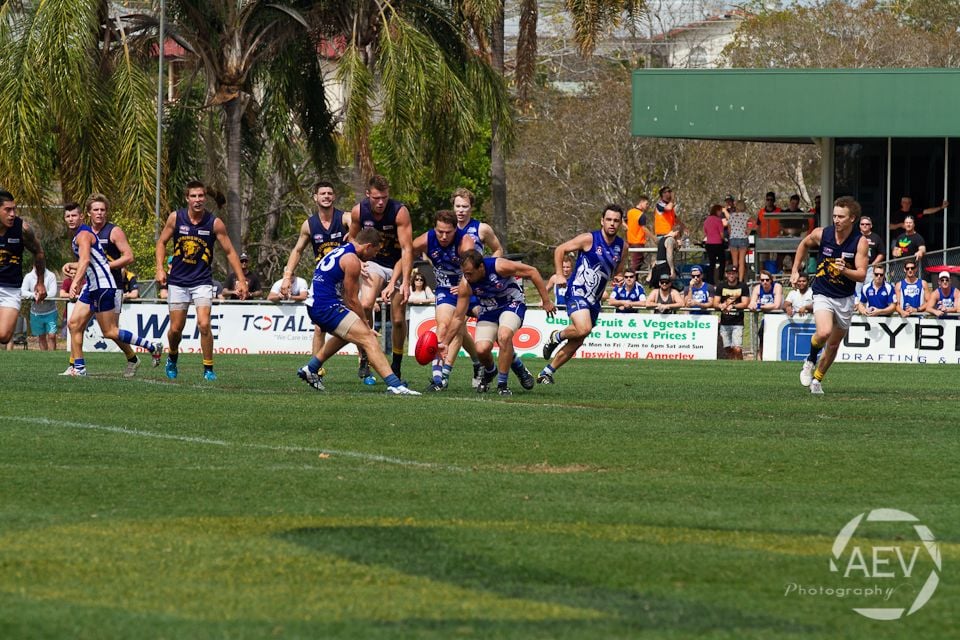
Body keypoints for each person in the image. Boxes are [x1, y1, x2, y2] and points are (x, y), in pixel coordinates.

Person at [296, 227, 419, 395]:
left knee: (346, 336)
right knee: (368, 337)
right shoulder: (352, 260)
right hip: (326, 306)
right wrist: (366, 323)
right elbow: (352, 299)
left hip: (316, 303)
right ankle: (395, 385)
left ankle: (310, 369)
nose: (373, 256)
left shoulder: (341, 249)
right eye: (374, 252)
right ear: (367, 246)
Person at [155, 180, 248, 381]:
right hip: (178, 281)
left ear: (205, 198)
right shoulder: (175, 218)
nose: (198, 200)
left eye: (201, 196)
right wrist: (160, 268)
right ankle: (172, 356)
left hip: (202, 281)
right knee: (175, 329)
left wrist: (241, 280)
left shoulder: (214, 223)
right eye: (194, 196)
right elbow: (161, 242)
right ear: (187, 198)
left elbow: (231, 252)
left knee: (204, 324)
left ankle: (208, 368)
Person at [65, 198, 161, 377]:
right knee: (74, 324)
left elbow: (125, 257)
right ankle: (77, 367)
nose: (99, 213)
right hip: (94, 285)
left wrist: (77, 281)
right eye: (96, 209)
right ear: (88, 213)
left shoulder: (110, 231)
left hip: (109, 285)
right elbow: (89, 261)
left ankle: (149, 347)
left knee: (110, 331)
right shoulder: (85, 233)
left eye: (102, 209)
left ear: (80, 217)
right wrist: (73, 265)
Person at [440, 250, 554, 396]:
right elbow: (457, 317)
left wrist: (545, 300)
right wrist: (444, 343)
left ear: (481, 267)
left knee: (504, 335)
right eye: (464, 273)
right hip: (488, 310)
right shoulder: (465, 284)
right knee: (481, 349)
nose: (466, 277)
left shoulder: (499, 266)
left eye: (469, 273)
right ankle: (492, 370)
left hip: (511, 303)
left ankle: (502, 384)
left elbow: (532, 271)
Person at [539, 205, 625, 385]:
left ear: (620, 223)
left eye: (616, 220)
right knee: (584, 328)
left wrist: (619, 277)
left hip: (594, 300)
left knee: (579, 339)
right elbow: (560, 250)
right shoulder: (589, 239)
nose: (612, 223)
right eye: (609, 219)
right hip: (577, 292)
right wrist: (560, 274)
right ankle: (557, 336)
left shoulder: (622, 247)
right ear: (602, 221)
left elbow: (619, 271)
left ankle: (547, 372)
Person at [792, 195, 869, 395]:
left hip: (845, 297)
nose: (836, 220)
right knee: (824, 332)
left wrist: (845, 271)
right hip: (822, 292)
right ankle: (809, 360)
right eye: (834, 216)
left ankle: (817, 379)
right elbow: (803, 244)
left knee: (833, 345)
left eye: (841, 217)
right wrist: (794, 270)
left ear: (852, 218)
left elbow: (861, 275)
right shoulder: (822, 234)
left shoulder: (860, 242)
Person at [350, 174, 414, 383]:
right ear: (368, 194)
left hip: (397, 264)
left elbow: (406, 248)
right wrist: (359, 262)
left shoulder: (399, 212)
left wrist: (404, 281)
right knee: (366, 303)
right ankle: (365, 357)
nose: (380, 202)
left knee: (397, 319)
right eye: (376, 198)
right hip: (374, 263)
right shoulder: (359, 211)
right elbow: (352, 238)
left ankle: (396, 363)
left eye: (384, 198)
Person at [280, 180, 351, 357]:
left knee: (359, 320)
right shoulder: (309, 225)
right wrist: (287, 276)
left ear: (334, 196)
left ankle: (364, 363)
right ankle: (315, 370)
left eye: (329, 193)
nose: (326, 196)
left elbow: (359, 236)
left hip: (348, 277)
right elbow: (297, 251)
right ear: (315, 198)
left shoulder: (345, 218)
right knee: (319, 327)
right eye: (322, 193)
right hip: (325, 281)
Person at [409, 210, 479, 391]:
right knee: (445, 326)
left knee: (465, 329)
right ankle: (440, 377)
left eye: (448, 232)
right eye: (440, 231)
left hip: (469, 287)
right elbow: (407, 252)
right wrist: (400, 280)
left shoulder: (465, 242)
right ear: (434, 228)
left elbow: (472, 268)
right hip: (445, 288)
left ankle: (482, 363)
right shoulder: (426, 239)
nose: (444, 236)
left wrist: (464, 283)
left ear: (456, 229)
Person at [0, 189, 47, 347]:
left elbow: (39, 252)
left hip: (10, 289)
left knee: (4, 336)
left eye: (14, 209)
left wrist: (40, 282)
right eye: (7, 210)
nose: (12, 214)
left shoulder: (22, 229)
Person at [714, 263, 749, 360]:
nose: (731, 275)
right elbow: (715, 302)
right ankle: (732, 366)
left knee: (737, 348)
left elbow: (745, 303)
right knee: (727, 349)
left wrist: (732, 306)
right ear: (726, 275)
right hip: (725, 322)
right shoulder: (721, 286)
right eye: (729, 273)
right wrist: (720, 305)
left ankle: (741, 365)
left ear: (737, 274)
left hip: (738, 322)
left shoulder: (743, 286)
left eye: (733, 273)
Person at [21, 263, 58, 350]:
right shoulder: (28, 277)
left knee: (52, 336)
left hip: (51, 312)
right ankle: (45, 358)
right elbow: (23, 292)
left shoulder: (51, 275)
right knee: (41, 337)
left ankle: (53, 356)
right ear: (33, 265)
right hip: (36, 313)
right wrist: (34, 295)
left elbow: (53, 292)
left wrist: (42, 295)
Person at [725, 199, 751, 282]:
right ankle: (740, 280)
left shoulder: (731, 216)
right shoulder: (746, 215)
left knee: (735, 262)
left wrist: (732, 234)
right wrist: (748, 230)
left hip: (733, 239)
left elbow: (729, 228)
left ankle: (734, 279)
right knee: (741, 262)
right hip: (743, 238)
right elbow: (754, 222)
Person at [702, 204, 726, 285]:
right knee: (722, 262)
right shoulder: (718, 220)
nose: (721, 213)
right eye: (720, 211)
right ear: (717, 211)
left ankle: (710, 280)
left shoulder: (706, 220)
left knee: (712, 263)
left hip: (709, 244)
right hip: (718, 244)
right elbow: (722, 234)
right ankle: (720, 278)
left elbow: (705, 232)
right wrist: (724, 239)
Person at [625, 196, 650, 271]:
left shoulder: (630, 212)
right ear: (641, 202)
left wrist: (628, 228)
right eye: (647, 203)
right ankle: (630, 280)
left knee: (638, 264)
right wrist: (654, 238)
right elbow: (644, 228)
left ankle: (635, 280)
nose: (647, 206)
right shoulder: (641, 215)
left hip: (630, 241)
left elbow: (622, 220)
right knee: (635, 266)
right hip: (638, 242)